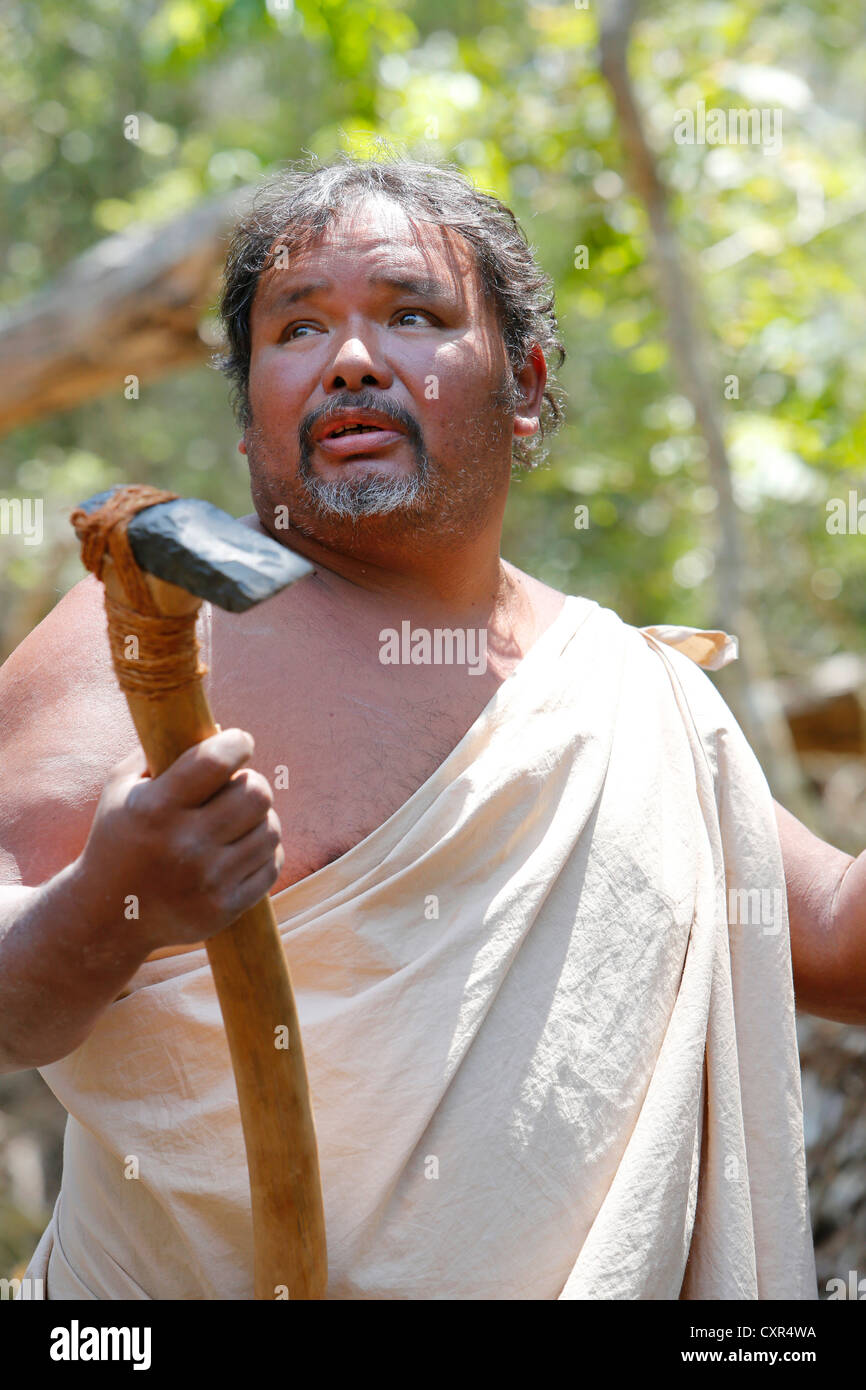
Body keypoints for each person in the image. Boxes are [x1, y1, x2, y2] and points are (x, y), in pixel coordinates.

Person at [0, 154, 860, 1300]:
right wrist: (115, 902)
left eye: (413, 314)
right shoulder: (151, 635)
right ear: (251, 413)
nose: (352, 359)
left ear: (524, 382)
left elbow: (837, 939)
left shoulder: (632, 695)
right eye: (296, 329)